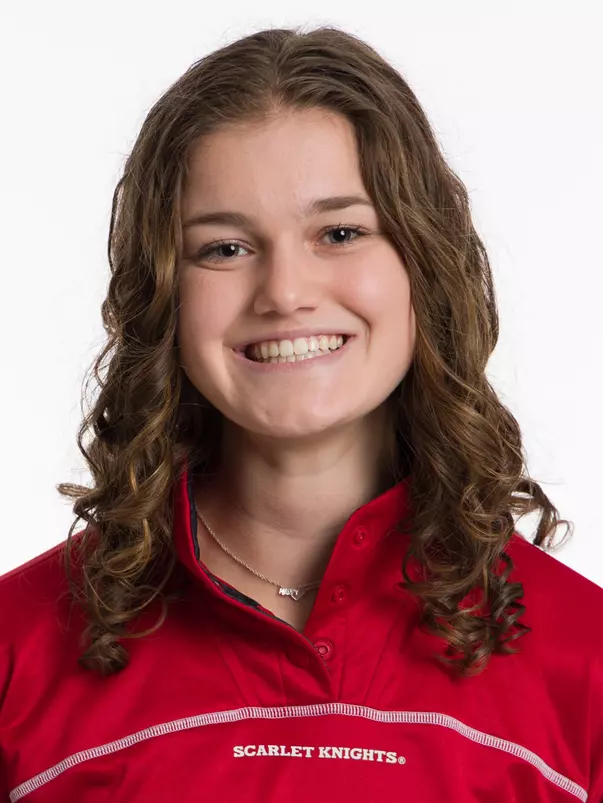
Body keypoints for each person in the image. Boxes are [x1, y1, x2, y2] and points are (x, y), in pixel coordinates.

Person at [1, 24, 602, 803]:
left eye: (340, 233)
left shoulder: (585, 659)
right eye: (224, 248)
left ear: (425, 264)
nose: (284, 292)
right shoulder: (17, 647)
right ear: (162, 293)